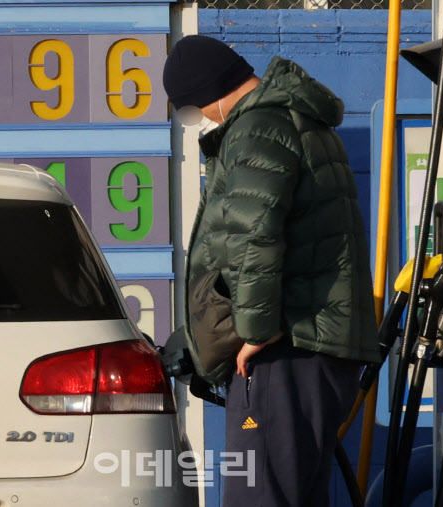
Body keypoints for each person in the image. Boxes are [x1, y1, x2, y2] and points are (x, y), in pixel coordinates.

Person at [162, 35, 381, 507]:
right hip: (317, 346)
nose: (201, 117)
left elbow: (252, 238)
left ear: (208, 91)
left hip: (286, 350)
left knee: (260, 496)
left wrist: (255, 331)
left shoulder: (256, 128)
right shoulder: (302, 120)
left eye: (194, 107)